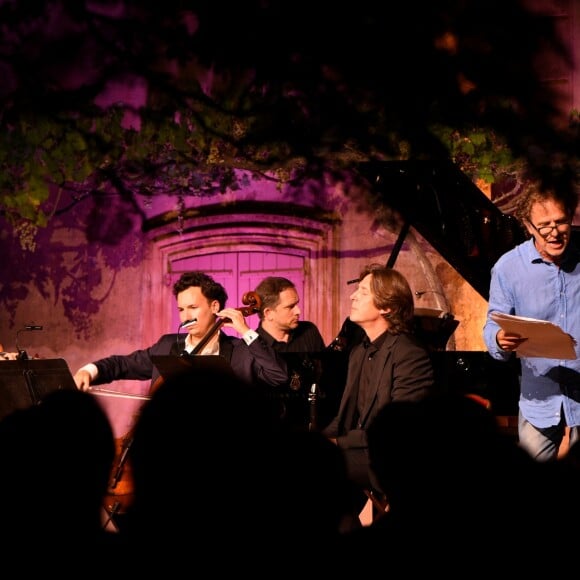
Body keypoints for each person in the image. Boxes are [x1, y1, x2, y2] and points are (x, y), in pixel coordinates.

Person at [322, 263, 436, 523]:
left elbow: (399, 430)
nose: (353, 296)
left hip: (393, 456)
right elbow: (345, 417)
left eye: (363, 292)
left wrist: (338, 444)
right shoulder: (359, 351)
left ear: (387, 307)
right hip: (360, 449)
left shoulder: (409, 354)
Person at [483, 180, 580, 461]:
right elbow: (492, 326)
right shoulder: (508, 268)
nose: (554, 232)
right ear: (527, 225)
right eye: (544, 225)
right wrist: (500, 339)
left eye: (560, 222)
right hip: (540, 399)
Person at [73, 271, 289, 393]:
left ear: (215, 307)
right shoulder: (167, 346)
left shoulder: (241, 351)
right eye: (181, 309)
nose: (185, 317)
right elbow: (123, 365)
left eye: (193, 308)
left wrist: (245, 330)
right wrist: (89, 371)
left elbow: (278, 376)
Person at [254, 276, 327, 428]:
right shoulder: (254, 346)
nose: (298, 311)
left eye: (297, 304)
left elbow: (325, 376)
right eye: (290, 307)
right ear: (268, 313)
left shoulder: (309, 331)